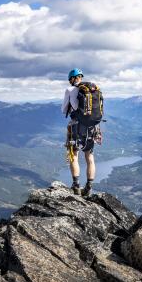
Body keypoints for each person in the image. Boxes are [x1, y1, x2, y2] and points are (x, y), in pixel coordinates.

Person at [62, 68, 96, 196]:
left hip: (76, 127)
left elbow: (63, 109)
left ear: (71, 79)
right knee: (90, 158)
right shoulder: (91, 90)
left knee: (74, 155)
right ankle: (89, 187)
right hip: (92, 127)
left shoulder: (70, 90)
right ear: (80, 77)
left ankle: (76, 186)